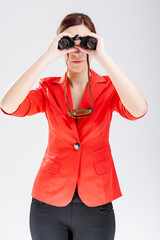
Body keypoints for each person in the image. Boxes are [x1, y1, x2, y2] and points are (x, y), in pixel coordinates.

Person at [0, 12, 148, 240]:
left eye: (84, 41)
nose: (77, 49)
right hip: (47, 204)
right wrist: (48, 56)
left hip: (96, 204)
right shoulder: (49, 90)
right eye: (69, 41)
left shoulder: (109, 88)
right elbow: (9, 106)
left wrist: (103, 58)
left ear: (94, 43)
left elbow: (138, 109)